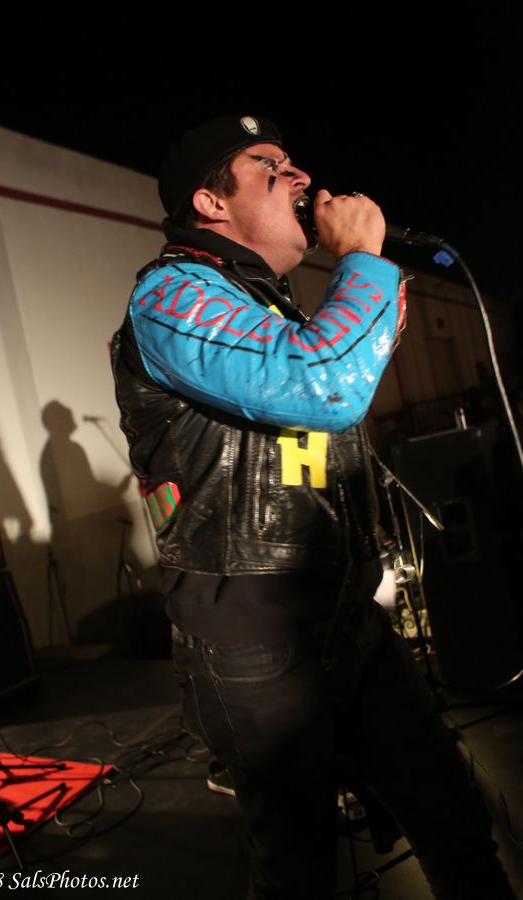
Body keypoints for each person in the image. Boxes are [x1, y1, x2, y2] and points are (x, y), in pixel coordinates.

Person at [111, 115, 515, 899]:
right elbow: (322, 385)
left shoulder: (270, 306)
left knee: (455, 819)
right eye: (271, 165)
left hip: (342, 614)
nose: (300, 177)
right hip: (254, 636)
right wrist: (360, 261)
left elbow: (336, 380)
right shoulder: (170, 295)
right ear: (210, 202)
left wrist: (369, 273)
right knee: (298, 869)